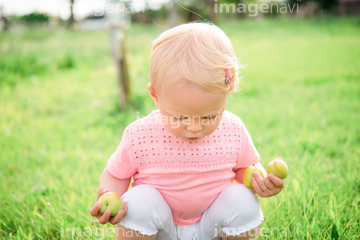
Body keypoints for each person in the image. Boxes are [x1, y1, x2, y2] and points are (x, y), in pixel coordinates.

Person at [90, 22, 284, 240]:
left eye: (209, 116)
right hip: (160, 230)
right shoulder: (140, 135)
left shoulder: (233, 129)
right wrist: (111, 197)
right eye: (180, 117)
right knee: (137, 202)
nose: (194, 127)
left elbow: (245, 168)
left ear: (228, 91)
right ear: (155, 96)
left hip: (211, 227)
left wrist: (260, 181)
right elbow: (117, 173)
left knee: (243, 200)